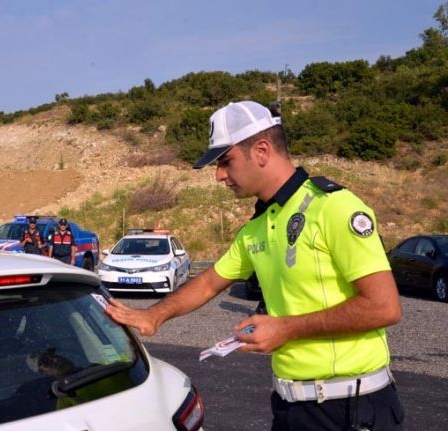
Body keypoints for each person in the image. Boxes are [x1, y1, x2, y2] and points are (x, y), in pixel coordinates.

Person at [105, 100, 404, 430]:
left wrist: (284, 328)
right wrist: (154, 315)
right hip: (291, 408)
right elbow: (208, 283)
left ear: (261, 150)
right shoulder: (256, 228)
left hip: (352, 409)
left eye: (226, 161)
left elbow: (384, 307)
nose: (219, 175)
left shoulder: (333, 207)